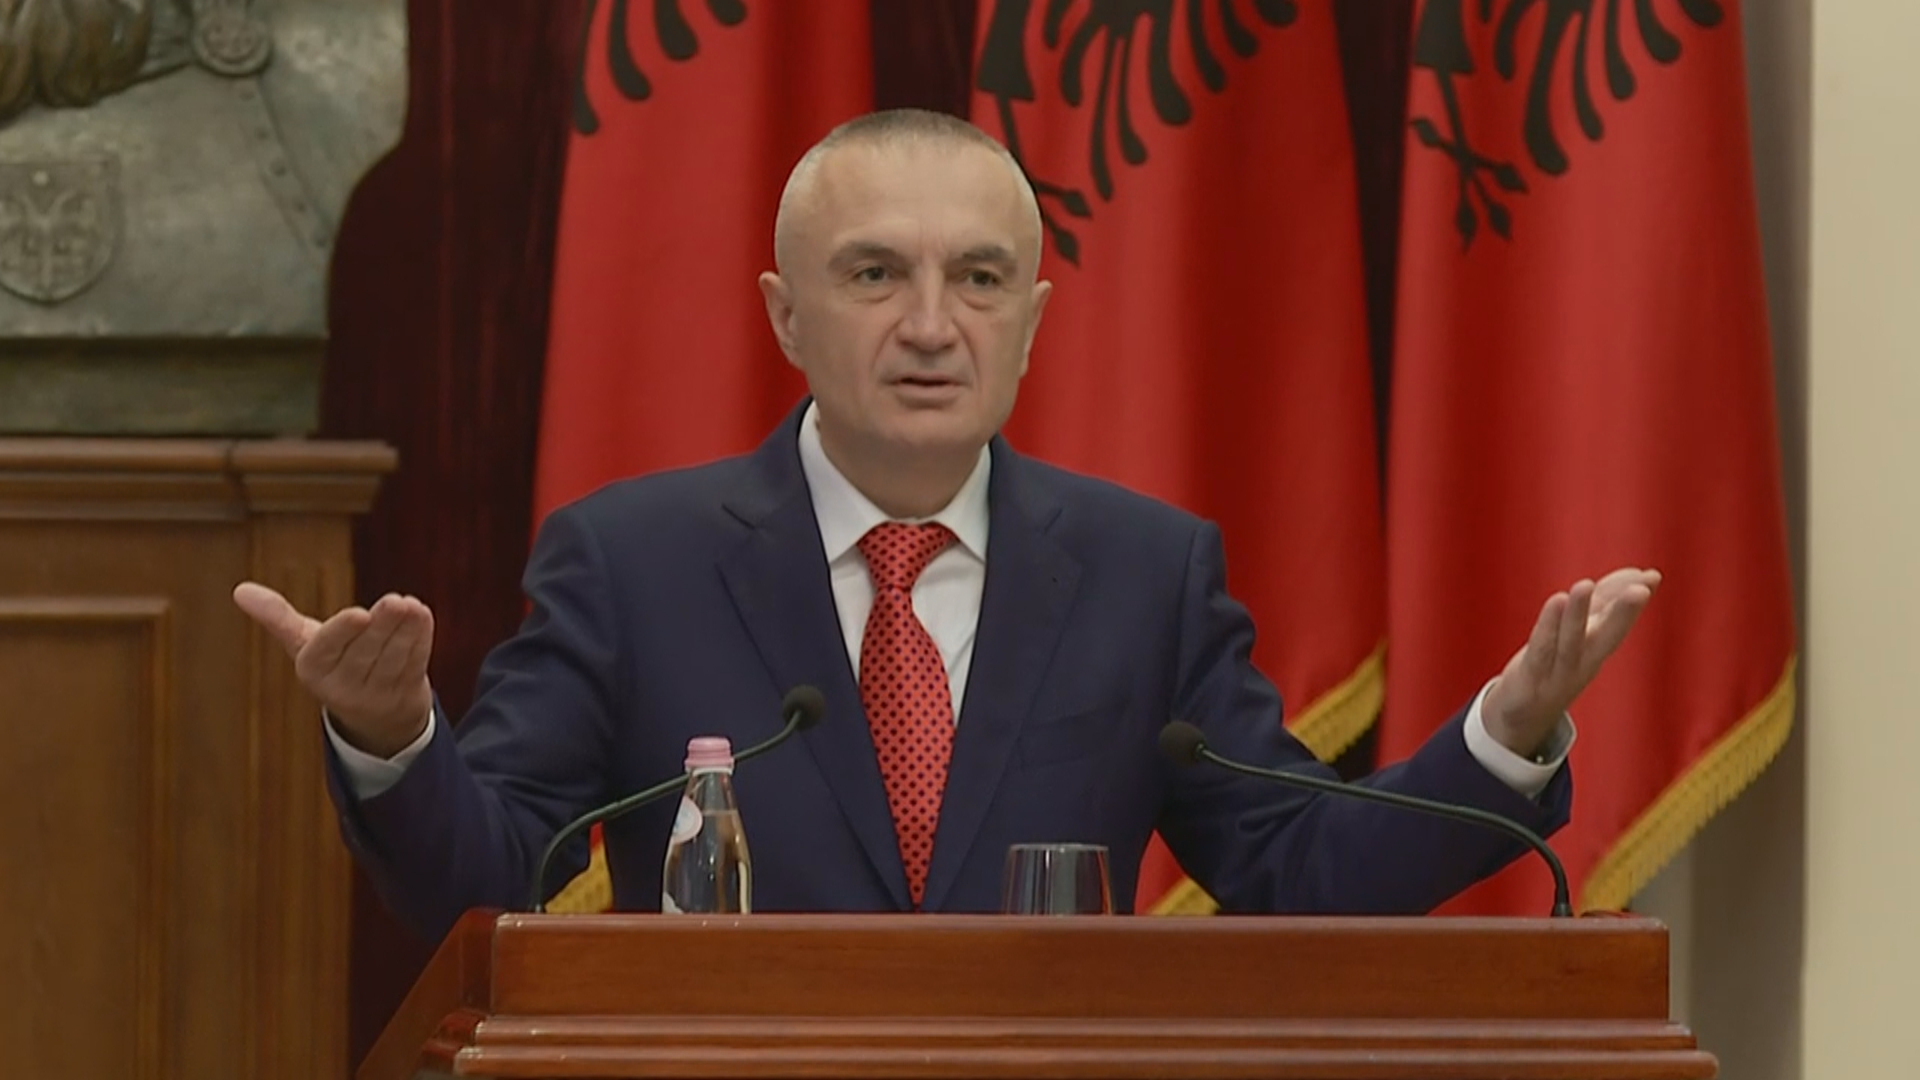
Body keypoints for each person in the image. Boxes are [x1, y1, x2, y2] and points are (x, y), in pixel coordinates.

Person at [233, 109, 1658, 943]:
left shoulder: (1145, 571)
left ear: (1030, 324)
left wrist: (1505, 735)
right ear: (786, 315)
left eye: (978, 280)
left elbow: (1296, 871)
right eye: (874, 275)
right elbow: (492, 880)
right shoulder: (631, 562)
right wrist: (393, 737)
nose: (931, 325)